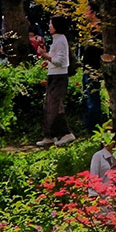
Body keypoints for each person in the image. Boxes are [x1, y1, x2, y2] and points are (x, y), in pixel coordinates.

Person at [36, 15, 75, 148]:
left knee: (54, 106)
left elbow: (61, 61)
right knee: (49, 106)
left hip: (59, 77)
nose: (49, 26)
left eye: (51, 24)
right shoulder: (57, 40)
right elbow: (56, 59)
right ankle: (49, 135)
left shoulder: (61, 40)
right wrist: (47, 61)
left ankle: (65, 133)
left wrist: (44, 55)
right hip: (54, 75)